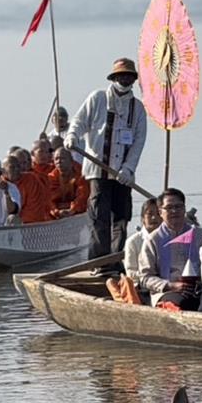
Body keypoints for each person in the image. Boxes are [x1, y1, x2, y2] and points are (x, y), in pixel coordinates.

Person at [67, 57, 148, 260]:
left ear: (133, 79)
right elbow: (79, 121)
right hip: (98, 169)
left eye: (129, 75)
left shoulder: (137, 108)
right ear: (114, 77)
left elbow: (138, 142)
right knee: (99, 217)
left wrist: (128, 169)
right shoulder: (98, 98)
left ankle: (116, 260)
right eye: (121, 75)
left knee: (121, 219)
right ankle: (97, 262)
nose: (125, 79)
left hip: (123, 175)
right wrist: (72, 136)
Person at [135, 188, 202, 309]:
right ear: (160, 212)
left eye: (178, 207)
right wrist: (171, 285)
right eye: (169, 208)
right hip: (167, 292)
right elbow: (145, 278)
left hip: (200, 289)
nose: (174, 211)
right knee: (183, 304)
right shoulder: (153, 240)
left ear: (184, 209)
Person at [123, 197, 162, 292]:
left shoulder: (169, 238)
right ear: (143, 218)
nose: (154, 218)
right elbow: (131, 272)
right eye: (150, 214)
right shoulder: (133, 241)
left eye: (158, 214)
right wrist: (152, 276)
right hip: (142, 288)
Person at [4, 147, 52, 224]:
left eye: (24, 163)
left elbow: (34, 211)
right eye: (14, 166)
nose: (19, 168)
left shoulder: (33, 179)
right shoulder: (1, 183)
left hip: (31, 225)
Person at [48, 145, 90, 218]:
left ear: (71, 160)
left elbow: (83, 195)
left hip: (79, 214)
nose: (59, 162)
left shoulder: (81, 174)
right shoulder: (51, 177)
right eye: (56, 159)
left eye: (62, 158)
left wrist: (73, 210)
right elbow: (49, 200)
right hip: (57, 215)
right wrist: (57, 212)